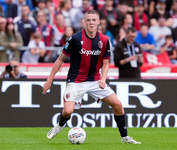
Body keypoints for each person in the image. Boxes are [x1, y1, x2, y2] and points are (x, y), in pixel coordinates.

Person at [42, 10, 141, 144]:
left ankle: (125, 138)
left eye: (94, 20)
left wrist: (103, 79)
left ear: (98, 22)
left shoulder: (104, 40)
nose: (91, 23)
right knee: (67, 111)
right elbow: (60, 59)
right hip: (76, 80)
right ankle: (60, 125)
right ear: (84, 22)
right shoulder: (75, 39)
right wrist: (49, 80)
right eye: (88, 20)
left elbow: (106, 64)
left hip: (95, 80)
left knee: (118, 104)